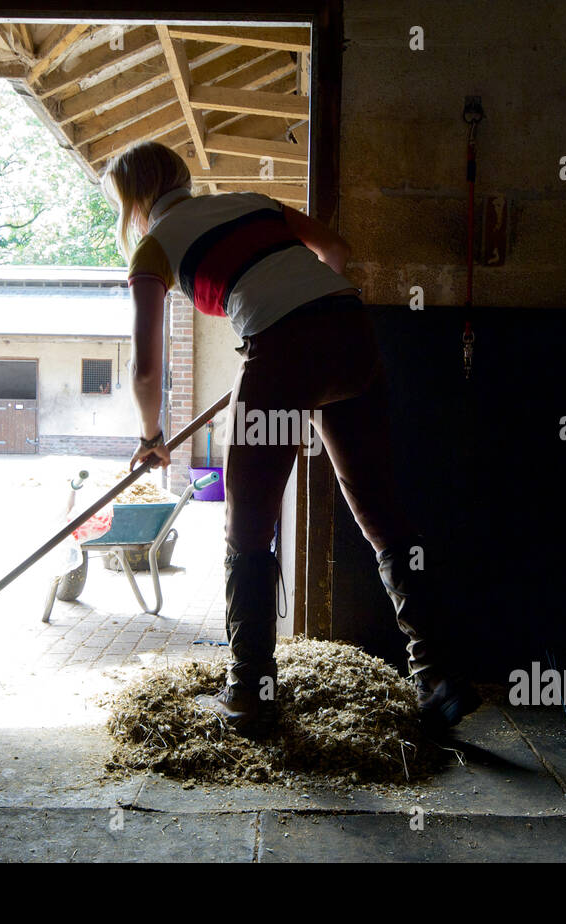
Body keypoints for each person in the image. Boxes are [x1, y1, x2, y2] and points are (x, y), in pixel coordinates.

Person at [100, 141, 479, 738]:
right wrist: (310, 316)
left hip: (282, 351)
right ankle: (440, 675)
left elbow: (146, 370)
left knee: (247, 525)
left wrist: (152, 435)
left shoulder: (154, 244)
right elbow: (336, 250)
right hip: (353, 335)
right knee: (380, 512)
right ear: (180, 177)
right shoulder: (252, 203)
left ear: (132, 201)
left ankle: (250, 694)